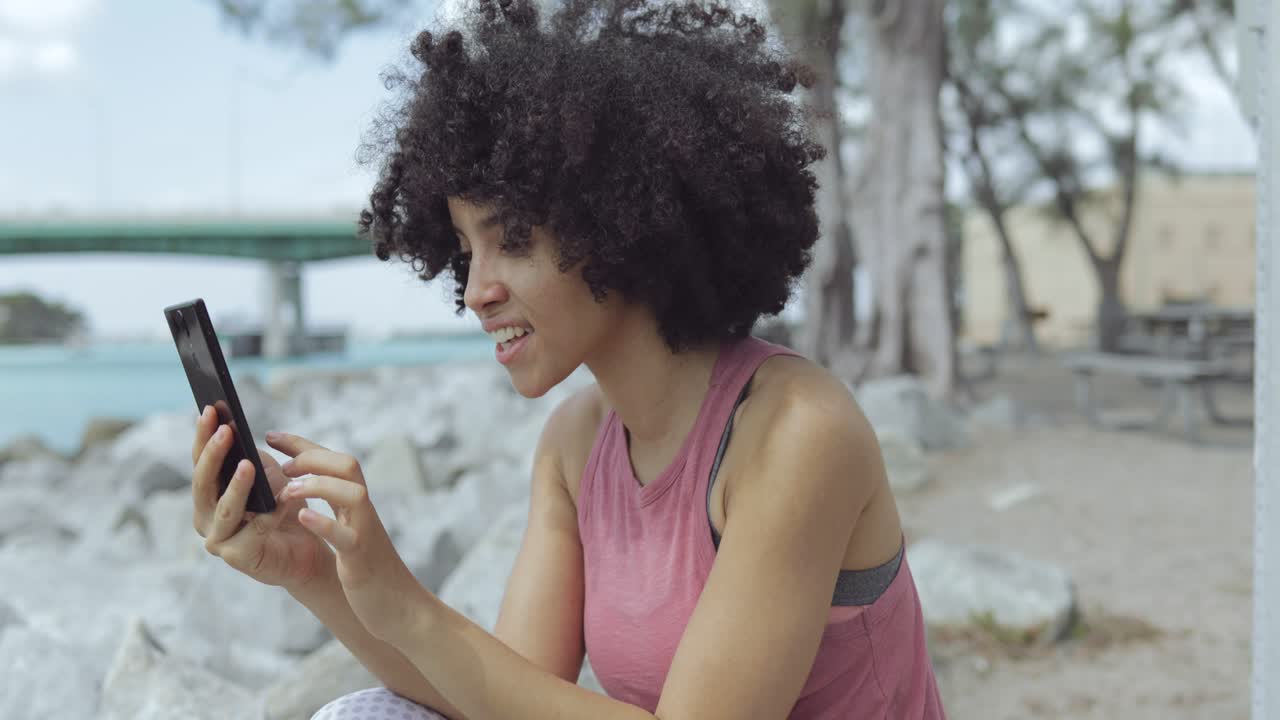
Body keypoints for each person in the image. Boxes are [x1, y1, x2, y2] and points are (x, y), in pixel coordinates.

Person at [188, 0, 946, 717]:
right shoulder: (575, 447)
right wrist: (313, 572)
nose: (475, 292)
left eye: (512, 239)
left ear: (619, 222)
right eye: (465, 252)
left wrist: (409, 606)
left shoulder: (796, 431)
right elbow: (497, 699)